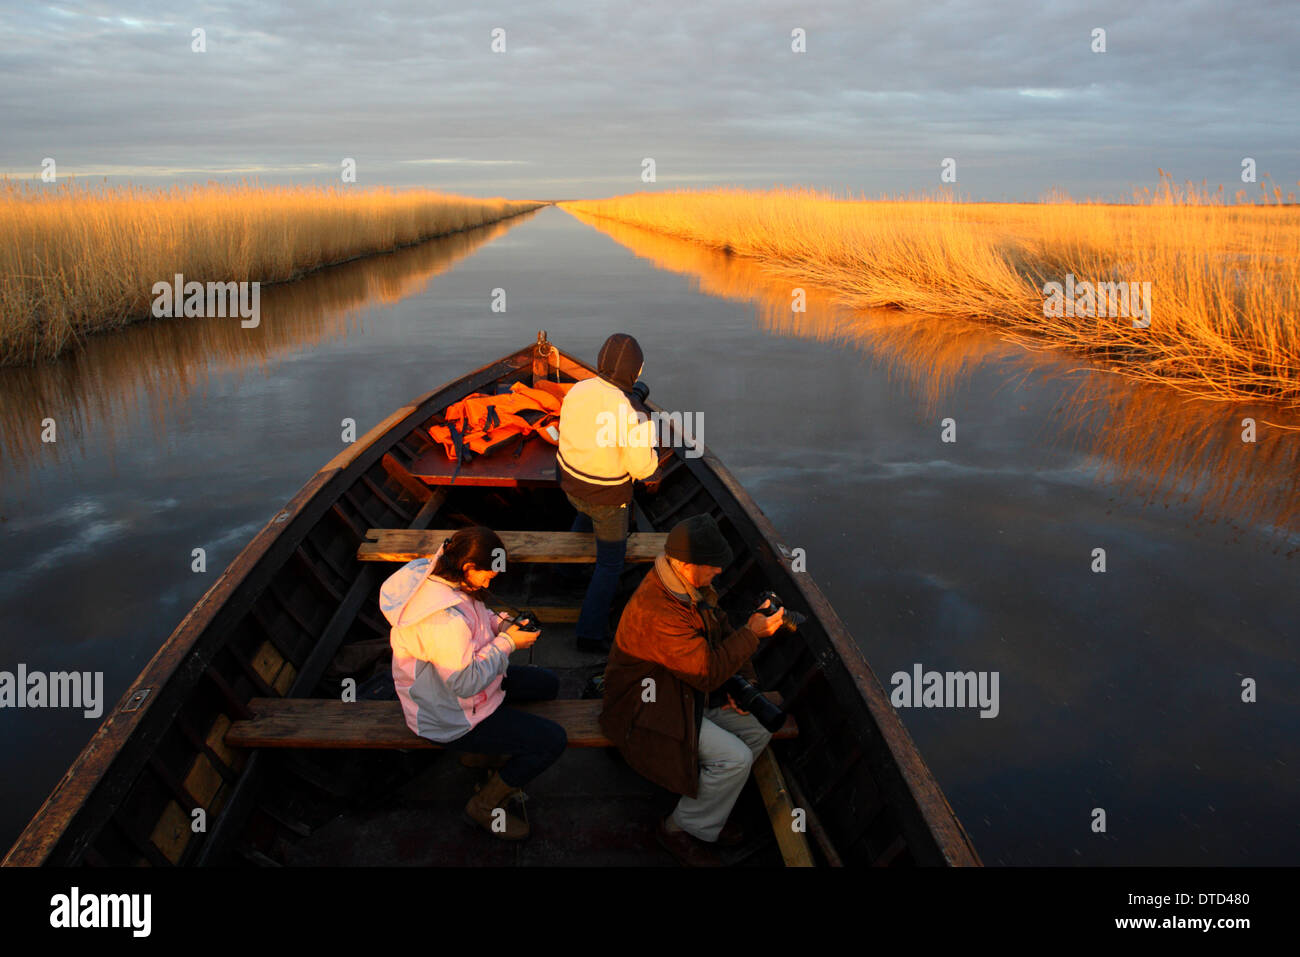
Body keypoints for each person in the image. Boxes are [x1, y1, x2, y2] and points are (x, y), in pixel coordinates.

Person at [598, 514, 786, 866]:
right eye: (713, 566)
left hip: (683, 689)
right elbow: (706, 674)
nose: (718, 573)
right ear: (686, 565)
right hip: (645, 706)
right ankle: (678, 830)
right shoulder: (661, 610)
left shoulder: (692, 587)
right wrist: (754, 634)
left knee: (759, 730)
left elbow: (724, 631)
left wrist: (748, 687)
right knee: (735, 759)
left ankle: (707, 811)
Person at [380, 526, 567, 840]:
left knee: (547, 684)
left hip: (463, 689)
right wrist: (507, 642)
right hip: (449, 716)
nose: (491, 581)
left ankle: (480, 755)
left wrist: (500, 623)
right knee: (553, 741)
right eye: (489, 575)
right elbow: (465, 683)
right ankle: (483, 805)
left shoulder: (446, 575)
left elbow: (477, 616)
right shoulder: (443, 621)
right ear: (468, 567)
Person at [557, 333, 661, 653]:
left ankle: (564, 575)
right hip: (606, 499)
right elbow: (643, 470)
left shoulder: (578, 389)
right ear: (635, 372)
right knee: (610, 564)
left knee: (584, 512)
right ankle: (589, 634)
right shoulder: (632, 413)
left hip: (570, 485)